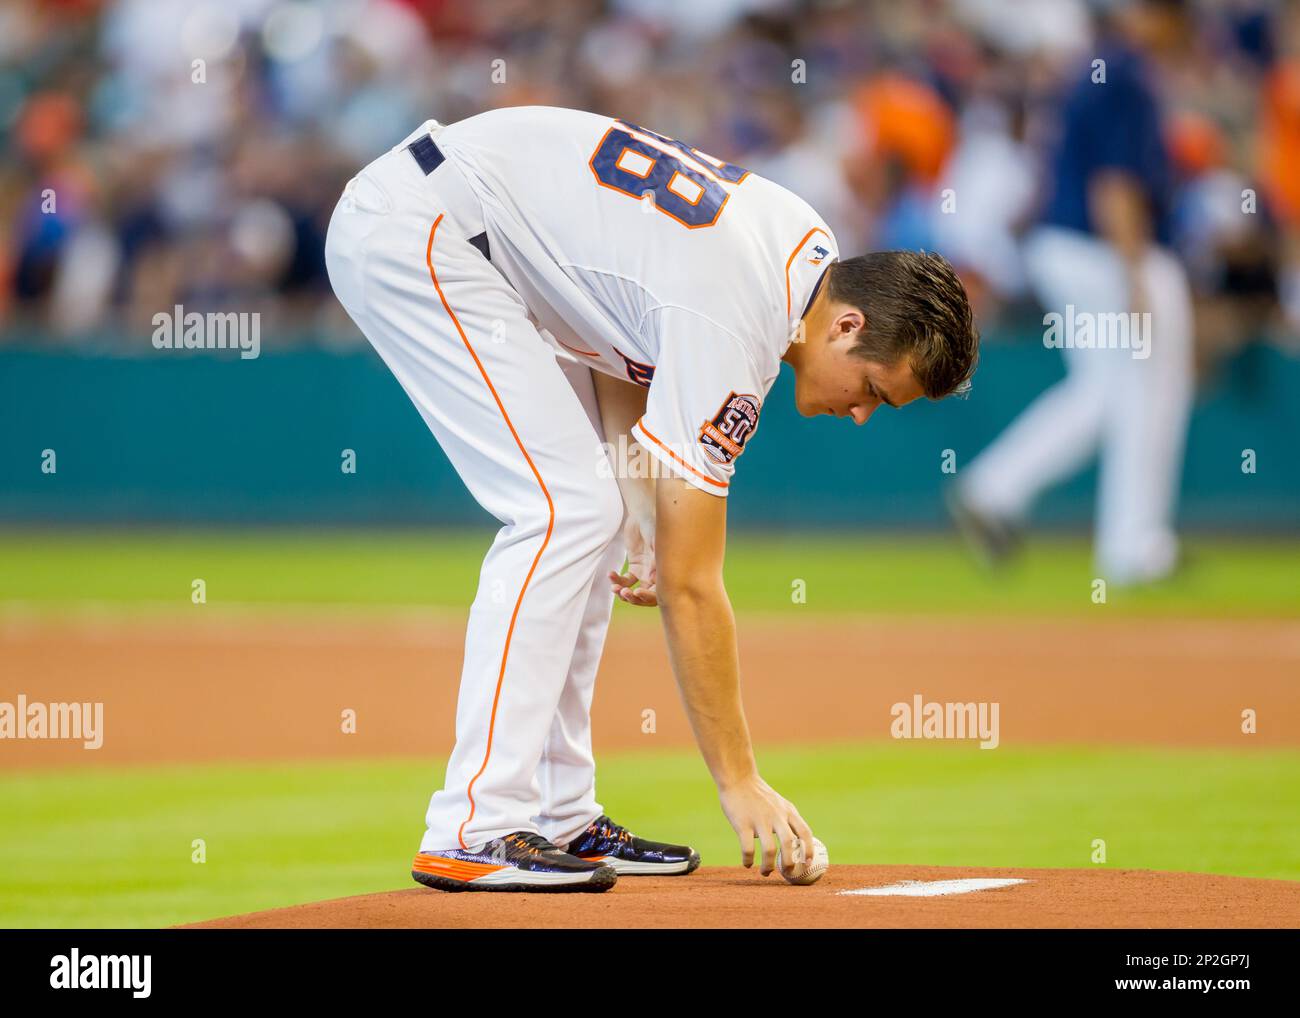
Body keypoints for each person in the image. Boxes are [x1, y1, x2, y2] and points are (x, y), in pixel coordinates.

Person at [324, 105, 978, 893]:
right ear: (847, 326)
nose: (864, 412)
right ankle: (477, 825)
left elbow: (621, 333)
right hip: (425, 229)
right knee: (563, 512)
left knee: (596, 518)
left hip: (479, 239)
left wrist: (636, 505)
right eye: (875, 389)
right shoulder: (739, 314)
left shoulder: (804, 251)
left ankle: (562, 812)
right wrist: (740, 782)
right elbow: (692, 585)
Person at [948, 0, 1195, 585]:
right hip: (1105, 249)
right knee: (1145, 394)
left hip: (1068, 247)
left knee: (1107, 392)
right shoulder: (1125, 75)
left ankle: (997, 487)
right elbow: (1116, 181)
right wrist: (1134, 269)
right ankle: (1135, 547)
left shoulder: (1092, 69)